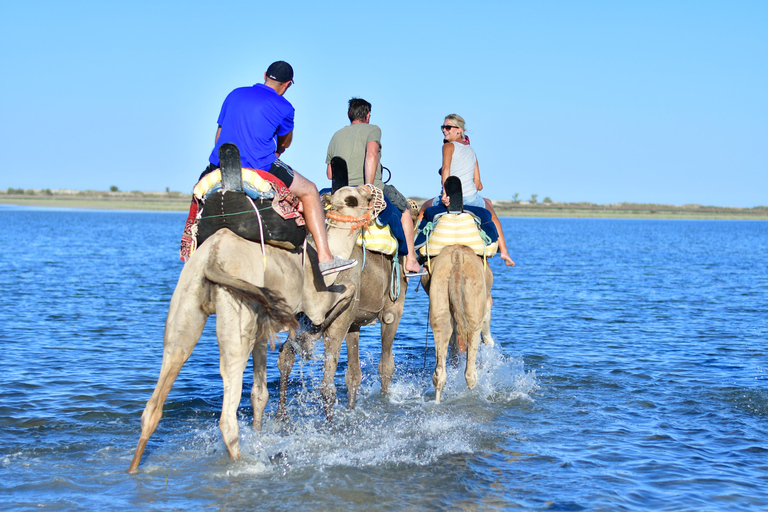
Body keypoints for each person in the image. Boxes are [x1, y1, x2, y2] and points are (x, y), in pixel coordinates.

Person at [205, 61, 356, 276]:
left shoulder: (234, 94)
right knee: (310, 191)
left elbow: (219, 135)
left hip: (219, 163)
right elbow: (284, 144)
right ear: (287, 85)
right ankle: (325, 258)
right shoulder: (285, 107)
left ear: (265, 74)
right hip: (260, 163)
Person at [326, 98, 424, 276]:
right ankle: (411, 260)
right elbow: (372, 154)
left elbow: (330, 174)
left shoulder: (336, 135)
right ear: (368, 115)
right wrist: (369, 186)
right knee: (405, 209)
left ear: (349, 114)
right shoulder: (373, 129)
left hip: (339, 190)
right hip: (369, 185)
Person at [418, 114, 515, 267]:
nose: (444, 130)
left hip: (452, 197)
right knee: (491, 212)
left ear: (459, 130)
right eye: (443, 127)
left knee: (423, 208)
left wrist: (445, 194)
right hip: (471, 198)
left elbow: (446, 169)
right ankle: (504, 252)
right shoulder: (471, 150)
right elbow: (478, 184)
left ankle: (413, 253)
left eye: (448, 127)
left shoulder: (448, 146)